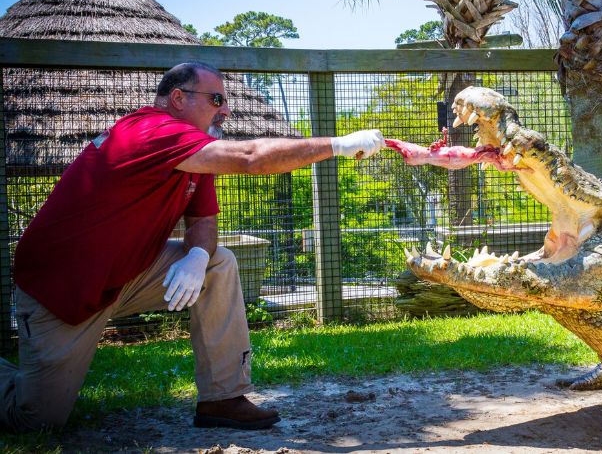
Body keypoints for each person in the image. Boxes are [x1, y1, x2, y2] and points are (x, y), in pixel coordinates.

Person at [2, 62, 385, 432]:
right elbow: (250, 158)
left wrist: (198, 255)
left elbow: (203, 221)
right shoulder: (153, 132)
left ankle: (223, 398)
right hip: (63, 291)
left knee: (219, 262)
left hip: (126, 276)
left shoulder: (193, 153)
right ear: (179, 98)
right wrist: (336, 144)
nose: (226, 110)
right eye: (216, 99)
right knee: (36, 421)